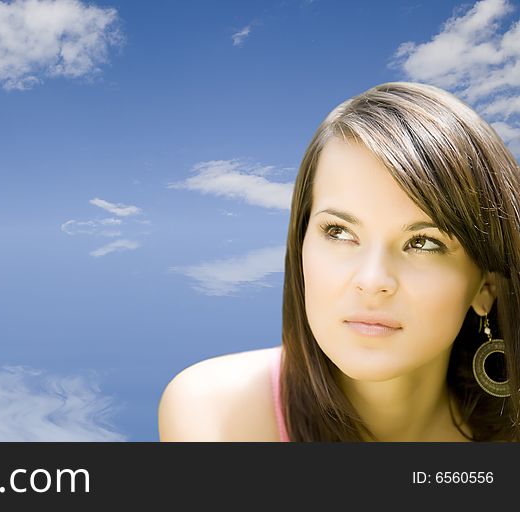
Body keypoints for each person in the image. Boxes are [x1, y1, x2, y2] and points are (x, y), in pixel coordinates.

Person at [158, 82, 520, 442]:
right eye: (339, 232)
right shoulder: (216, 415)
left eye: (423, 243)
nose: (372, 279)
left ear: (486, 284)